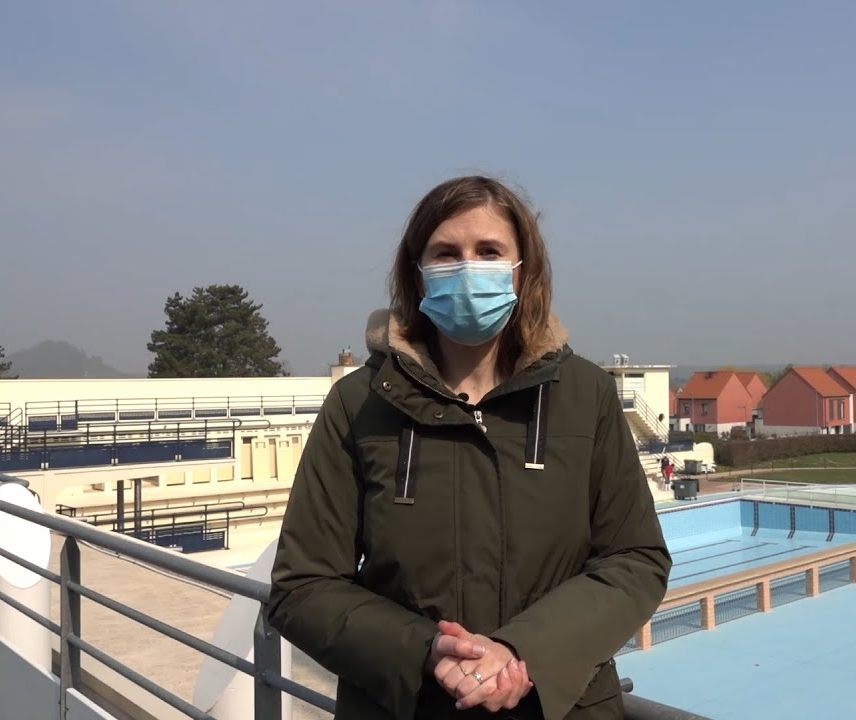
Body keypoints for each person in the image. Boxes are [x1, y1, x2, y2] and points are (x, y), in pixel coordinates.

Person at [267, 175, 672, 720]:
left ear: (522, 270)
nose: (466, 268)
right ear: (417, 273)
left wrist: (524, 651)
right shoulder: (358, 403)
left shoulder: (584, 395)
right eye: (445, 253)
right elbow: (304, 585)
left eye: (488, 252)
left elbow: (635, 559)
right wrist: (426, 650)